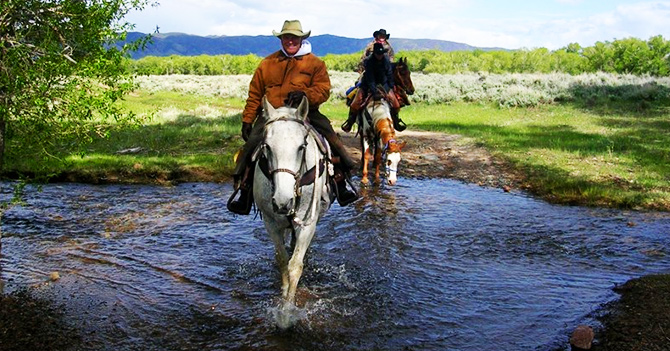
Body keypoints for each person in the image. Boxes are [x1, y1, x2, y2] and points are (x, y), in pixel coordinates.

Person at [227, 20, 358, 215]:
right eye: (286, 37)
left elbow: (323, 90)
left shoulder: (315, 63)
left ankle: (341, 180)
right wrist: (248, 119)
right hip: (273, 115)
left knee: (330, 138)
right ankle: (244, 191)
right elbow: (255, 94)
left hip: (305, 112)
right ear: (281, 39)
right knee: (252, 144)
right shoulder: (267, 64)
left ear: (301, 39)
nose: (290, 41)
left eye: (294, 37)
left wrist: (305, 94)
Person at [342, 42, 403, 132]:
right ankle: (350, 121)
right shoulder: (369, 61)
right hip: (367, 84)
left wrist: (391, 86)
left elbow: (389, 74)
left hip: (383, 84)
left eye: (381, 54)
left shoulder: (386, 61)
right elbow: (370, 78)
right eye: (378, 54)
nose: (380, 56)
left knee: (396, 104)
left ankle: (396, 120)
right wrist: (374, 91)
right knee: (355, 103)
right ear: (374, 53)